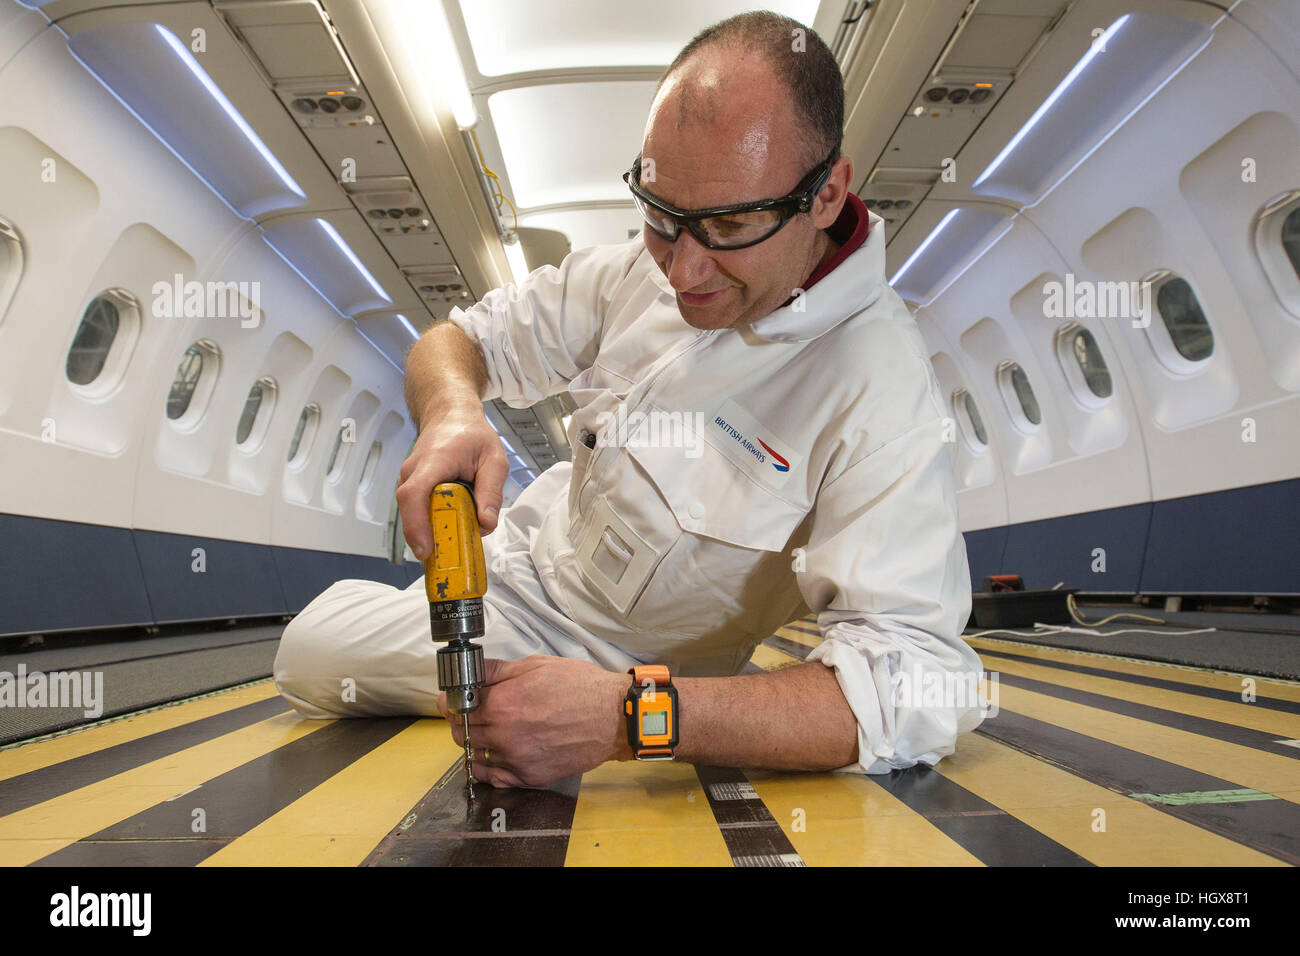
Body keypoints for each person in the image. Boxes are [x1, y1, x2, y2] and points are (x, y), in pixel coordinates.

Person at [274, 11, 986, 789]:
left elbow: (920, 682)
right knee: (310, 649)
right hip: (519, 566)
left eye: (730, 225)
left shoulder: (879, 388)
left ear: (826, 195)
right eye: (660, 218)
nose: (682, 274)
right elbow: (459, 339)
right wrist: (452, 411)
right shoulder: (635, 271)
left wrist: (632, 714)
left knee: (321, 657)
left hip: (622, 662)